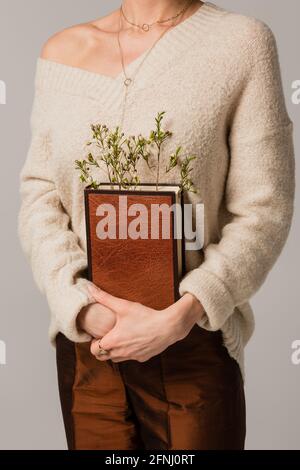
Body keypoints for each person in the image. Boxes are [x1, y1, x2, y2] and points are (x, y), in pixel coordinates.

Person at [18, 0, 295, 450]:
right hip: (90, 345)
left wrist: (183, 314)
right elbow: (40, 195)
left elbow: (264, 208)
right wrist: (80, 305)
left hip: (191, 341)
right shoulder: (62, 51)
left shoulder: (242, 43)